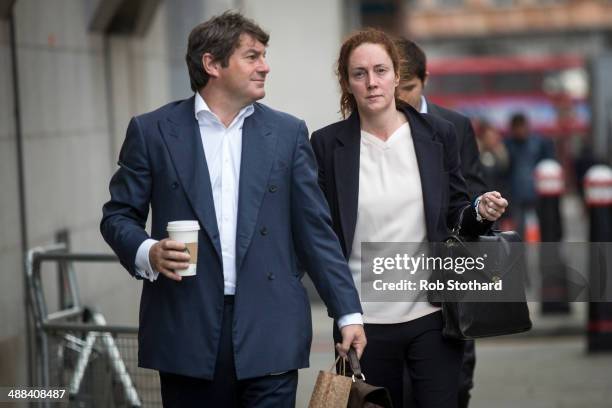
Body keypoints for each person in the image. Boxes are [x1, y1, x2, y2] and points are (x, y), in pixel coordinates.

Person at [100, 11, 366, 407]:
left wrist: (348, 312)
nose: (265, 66)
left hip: (270, 327)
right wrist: (148, 252)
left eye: (264, 56)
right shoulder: (152, 130)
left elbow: (315, 231)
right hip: (186, 330)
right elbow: (118, 216)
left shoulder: (289, 133)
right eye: (252, 56)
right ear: (212, 64)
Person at [310, 28, 508, 408]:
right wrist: (343, 310)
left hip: (432, 315)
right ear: (346, 82)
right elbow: (322, 236)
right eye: (359, 74)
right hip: (363, 320)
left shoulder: (438, 134)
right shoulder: (326, 144)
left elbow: (455, 216)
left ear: (396, 75)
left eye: (380, 70)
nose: (372, 83)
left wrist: (479, 214)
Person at [395, 38, 489, 408]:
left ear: (425, 79)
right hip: (391, 274)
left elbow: (471, 194)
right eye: (394, 86)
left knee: (454, 385)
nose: (399, 96)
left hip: (448, 276)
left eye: (409, 87)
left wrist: (480, 209)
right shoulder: (361, 129)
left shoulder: (453, 125)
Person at [504, 112, 555, 239]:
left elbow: (548, 163)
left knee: (544, 227)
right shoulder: (507, 144)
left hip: (537, 191)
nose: (520, 131)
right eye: (517, 128)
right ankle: (521, 258)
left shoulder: (539, 142)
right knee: (519, 229)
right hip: (516, 193)